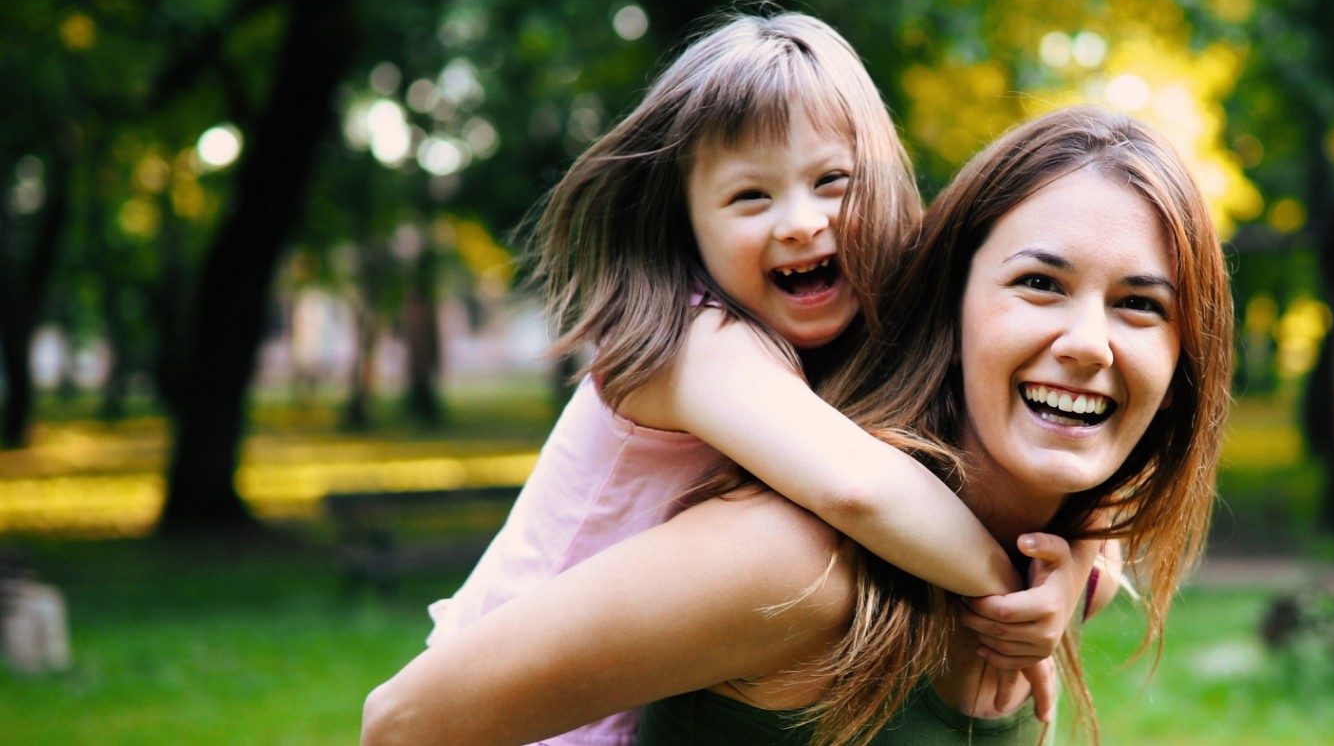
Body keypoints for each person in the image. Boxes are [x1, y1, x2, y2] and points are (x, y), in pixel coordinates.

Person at [361, 105, 1232, 746]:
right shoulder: (798, 566)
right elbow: (401, 725)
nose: (1087, 343)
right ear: (950, 299)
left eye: (1139, 305)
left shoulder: (1053, 567)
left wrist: (1073, 556)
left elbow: (1097, 551)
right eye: (1039, 283)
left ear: (1186, 360)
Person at [418, 12, 1085, 745]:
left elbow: (1064, 478)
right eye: (750, 197)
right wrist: (1006, 598)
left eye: (832, 181)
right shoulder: (687, 340)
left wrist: (1072, 567)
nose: (800, 223)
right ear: (688, 227)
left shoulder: (852, 332)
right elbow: (859, 489)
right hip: (508, 718)